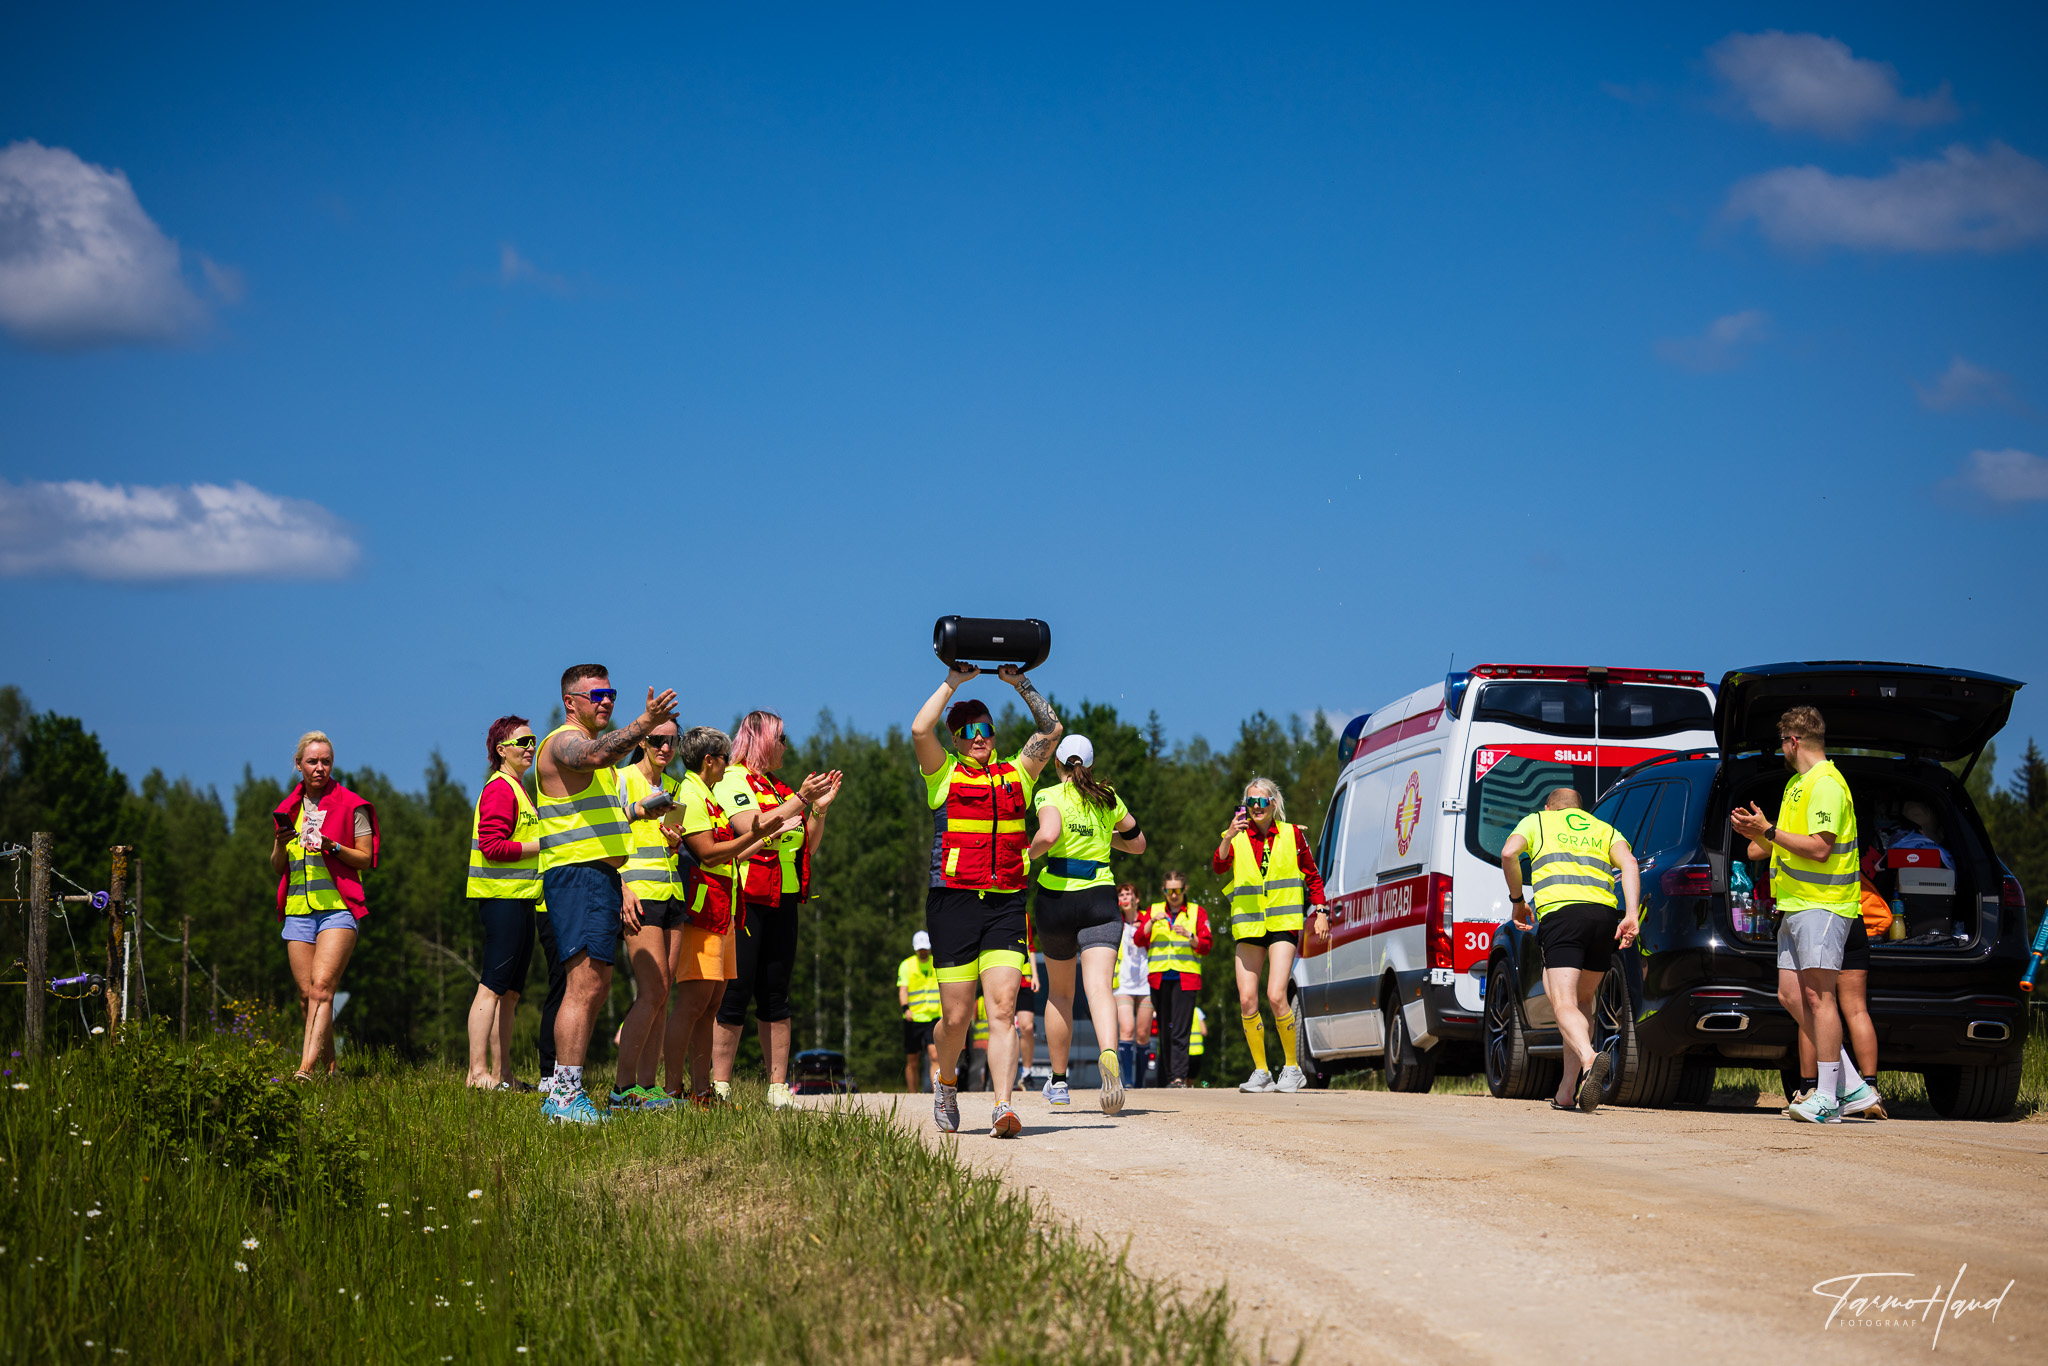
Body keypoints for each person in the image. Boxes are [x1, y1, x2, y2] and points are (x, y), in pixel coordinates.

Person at [911, 661, 1062, 1139]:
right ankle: (947, 1081)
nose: (979, 737)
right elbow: (919, 729)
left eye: (986, 730)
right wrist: (953, 682)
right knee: (957, 1018)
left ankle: (1002, 1105)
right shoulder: (942, 773)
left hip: (1006, 903)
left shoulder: (1018, 773)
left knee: (1002, 1007)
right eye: (969, 731)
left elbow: (1051, 730)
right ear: (956, 739)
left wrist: (1020, 683)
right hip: (953, 902)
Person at [533, 665, 677, 1125]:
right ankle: (563, 1096)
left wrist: (641, 809)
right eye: (596, 695)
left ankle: (567, 1092)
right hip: (577, 875)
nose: (607, 701)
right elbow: (594, 755)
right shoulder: (562, 742)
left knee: (595, 987)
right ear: (570, 701)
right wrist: (646, 722)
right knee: (583, 985)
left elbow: (601, 813)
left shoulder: (596, 763)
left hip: (599, 876)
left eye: (610, 693)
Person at [1731, 706, 1881, 1124]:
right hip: (1794, 905)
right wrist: (1760, 832)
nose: (1781, 749)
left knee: (1819, 997)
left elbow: (1819, 848)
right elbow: (1763, 848)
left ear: (1793, 741)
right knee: (1791, 996)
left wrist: (1769, 831)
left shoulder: (1826, 784)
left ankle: (1828, 1097)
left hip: (1824, 903)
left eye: (1782, 742)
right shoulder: (1796, 785)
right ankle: (1853, 1086)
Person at [662, 726, 809, 1103]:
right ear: (709, 760)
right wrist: (763, 832)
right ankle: (672, 1088)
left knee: (709, 1004)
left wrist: (764, 836)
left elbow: (731, 853)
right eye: (724, 758)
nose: (729, 764)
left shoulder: (707, 794)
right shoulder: (692, 794)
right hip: (702, 909)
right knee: (693, 1004)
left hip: (721, 907)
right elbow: (709, 854)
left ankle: (701, 1090)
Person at [712, 711, 842, 1110]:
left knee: (776, 994)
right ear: (763, 740)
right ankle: (720, 1085)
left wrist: (818, 809)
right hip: (746, 896)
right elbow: (749, 825)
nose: (786, 745)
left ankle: (777, 1087)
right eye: (781, 738)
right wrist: (799, 801)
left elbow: (808, 845)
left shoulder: (777, 787)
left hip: (783, 898)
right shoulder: (733, 779)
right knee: (735, 991)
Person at [1499, 787, 1640, 1113]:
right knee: (1582, 1002)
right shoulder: (1603, 828)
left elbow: (1508, 853)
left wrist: (1518, 901)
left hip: (1562, 916)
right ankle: (1566, 1091)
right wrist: (1631, 914)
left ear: (1549, 807)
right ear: (1580, 810)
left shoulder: (1538, 821)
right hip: (1604, 918)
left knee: (1562, 1002)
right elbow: (1630, 863)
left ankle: (1590, 1059)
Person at [1028, 734, 1145, 1112]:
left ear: (1057, 764)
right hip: (1099, 898)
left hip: (1057, 901)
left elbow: (1049, 834)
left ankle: (1059, 1082)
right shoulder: (1107, 796)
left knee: (1061, 994)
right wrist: (1104, 838)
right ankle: (1108, 1054)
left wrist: (1026, 855)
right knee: (1099, 989)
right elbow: (1138, 843)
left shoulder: (1049, 794)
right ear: (1090, 766)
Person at [271, 730, 378, 1083]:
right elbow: (278, 865)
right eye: (313, 761)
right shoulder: (287, 809)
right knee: (307, 997)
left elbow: (366, 858)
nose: (320, 768)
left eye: (326, 761)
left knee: (321, 989)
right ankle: (332, 1069)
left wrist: (332, 846)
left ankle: (305, 1070)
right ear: (298, 764)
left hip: (338, 909)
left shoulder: (352, 805)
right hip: (297, 910)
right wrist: (279, 844)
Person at [1214, 778, 1329, 1094]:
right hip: (1249, 924)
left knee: (1276, 995)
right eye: (1250, 802)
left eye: (1261, 801)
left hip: (1282, 922)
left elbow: (1312, 875)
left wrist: (1321, 911)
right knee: (1247, 999)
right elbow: (1219, 866)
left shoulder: (1292, 834)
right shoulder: (1235, 836)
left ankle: (1292, 1069)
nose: (1255, 807)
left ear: (1274, 803)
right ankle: (1261, 1071)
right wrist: (1228, 835)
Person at [607, 723, 687, 1111]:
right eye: (658, 740)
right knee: (652, 991)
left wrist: (674, 844)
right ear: (642, 741)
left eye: (672, 740)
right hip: (639, 895)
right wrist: (620, 887)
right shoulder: (622, 780)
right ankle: (621, 1090)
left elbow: (668, 847)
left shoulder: (673, 786)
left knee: (663, 994)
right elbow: (607, 836)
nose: (666, 747)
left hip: (672, 893)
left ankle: (648, 1087)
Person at [464, 716, 542, 1091]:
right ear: (501, 750)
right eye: (522, 742)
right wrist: (543, 845)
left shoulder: (519, 789)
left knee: (510, 993)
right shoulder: (499, 789)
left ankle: (502, 1074)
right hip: (501, 899)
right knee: (491, 987)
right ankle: (476, 1072)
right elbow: (493, 847)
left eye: (533, 740)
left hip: (521, 899)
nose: (531, 747)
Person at [1135, 873, 1212, 1088]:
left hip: (1186, 977)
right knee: (1165, 1029)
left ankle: (1178, 1077)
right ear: (1164, 891)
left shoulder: (1197, 912)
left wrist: (1189, 935)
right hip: (1159, 978)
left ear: (1185, 889)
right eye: (1169, 891)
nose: (1174, 895)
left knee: (1180, 1030)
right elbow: (1139, 939)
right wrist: (1151, 921)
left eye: (1177, 890)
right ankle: (1170, 1077)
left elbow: (1206, 945)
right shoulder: (1154, 910)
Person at [1112, 884, 1153, 1089]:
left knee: (1143, 1033)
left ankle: (1140, 1082)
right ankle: (1127, 1080)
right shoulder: (1115, 920)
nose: (1125, 897)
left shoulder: (1147, 919)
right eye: (1121, 894)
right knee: (1127, 1029)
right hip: (1123, 983)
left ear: (1137, 898)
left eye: (1129, 894)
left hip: (1146, 983)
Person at [899, 930, 942, 1092]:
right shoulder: (906, 965)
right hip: (913, 1019)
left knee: (935, 1056)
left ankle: (937, 1093)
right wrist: (905, 1008)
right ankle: (913, 1094)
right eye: (920, 949)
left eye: (925, 948)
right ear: (915, 948)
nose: (923, 952)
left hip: (933, 1017)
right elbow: (903, 989)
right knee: (912, 1060)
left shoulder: (937, 963)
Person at [1188, 1004, 1208, 1084]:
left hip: (1182, 1050)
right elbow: (1204, 1031)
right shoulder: (1197, 1011)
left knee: (1182, 1074)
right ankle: (1189, 1087)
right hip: (1197, 1051)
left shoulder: (1178, 1010)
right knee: (1192, 1076)